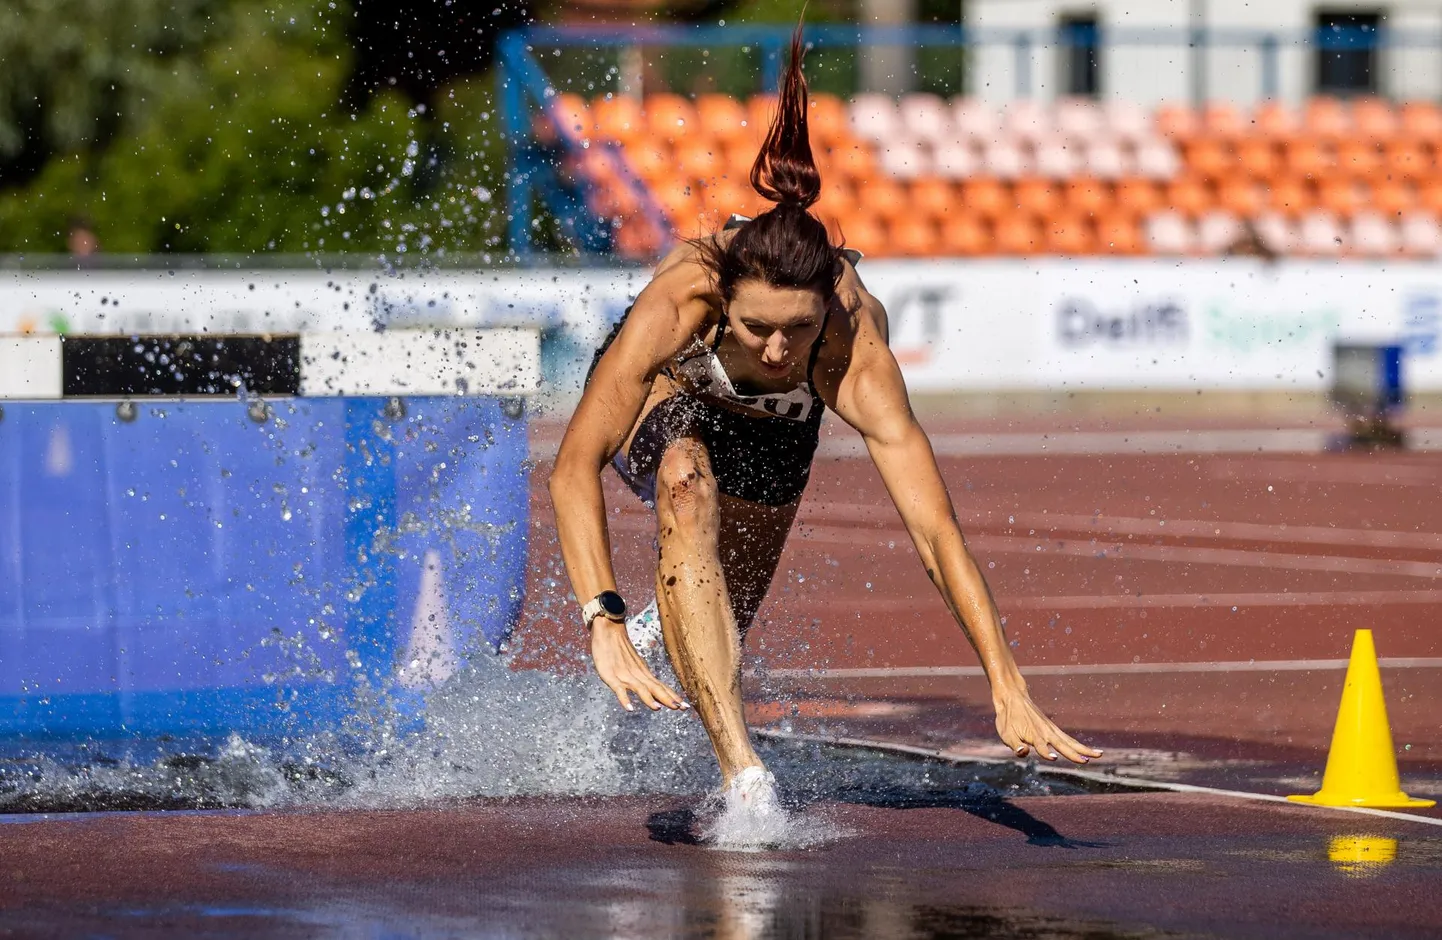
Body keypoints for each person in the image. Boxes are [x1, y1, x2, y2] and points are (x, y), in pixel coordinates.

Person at [549, 24, 1102, 820]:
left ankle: (657, 642)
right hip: (670, 400)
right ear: (724, 302)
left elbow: (936, 534)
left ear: (827, 314)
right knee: (685, 485)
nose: (777, 350)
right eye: (755, 328)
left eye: (798, 332)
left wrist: (1005, 681)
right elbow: (572, 468)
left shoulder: (855, 341)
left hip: (777, 438)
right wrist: (596, 615)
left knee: (715, 629)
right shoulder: (683, 295)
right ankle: (746, 780)